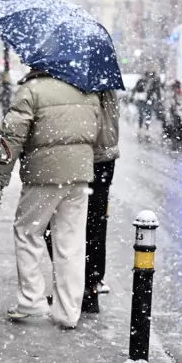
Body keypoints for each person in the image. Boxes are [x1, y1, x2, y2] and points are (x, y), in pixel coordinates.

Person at [0, 69, 101, 330]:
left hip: (43, 174)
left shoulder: (31, 90)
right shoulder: (86, 88)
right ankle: (68, 311)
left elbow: (12, 137)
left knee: (27, 232)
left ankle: (31, 299)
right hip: (79, 175)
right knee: (71, 243)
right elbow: (97, 131)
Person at [44, 91, 119, 314]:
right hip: (103, 158)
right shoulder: (102, 76)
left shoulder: (83, 83)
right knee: (95, 224)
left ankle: (78, 288)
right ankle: (89, 287)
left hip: (87, 156)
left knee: (59, 222)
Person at [133, 70, 160, 135]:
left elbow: (157, 90)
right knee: (141, 114)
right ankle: (140, 127)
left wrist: (158, 98)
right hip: (142, 99)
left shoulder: (154, 82)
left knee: (148, 114)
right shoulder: (141, 81)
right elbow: (136, 89)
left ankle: (146, 128)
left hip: (149, 100)